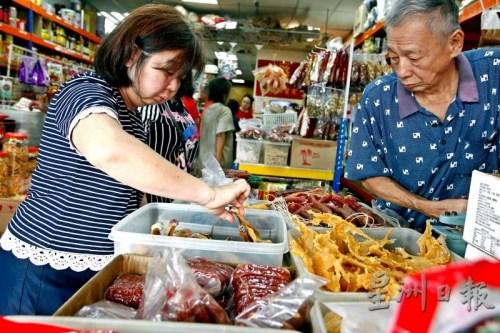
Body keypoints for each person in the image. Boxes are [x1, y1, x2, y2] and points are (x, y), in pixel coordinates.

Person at [0, 4, 250, 315]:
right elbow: (111, 151)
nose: (173, 86)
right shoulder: (83, 92)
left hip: (93, 270)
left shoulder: (129, 113)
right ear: (132, 55)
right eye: (166, 70)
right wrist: (207, 193)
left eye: (180, 76)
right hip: (45, 270)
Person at [346, 0, 499, 231]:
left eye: (414, 58)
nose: (403, 72)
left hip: (483, 241)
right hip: (402, 239)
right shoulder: (378, 97)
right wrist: (427, 206)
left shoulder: (494, 73)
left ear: (454, 43)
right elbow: (368, 173)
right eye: (394, 58)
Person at [139, 94, 199, 203]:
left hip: (180, 189)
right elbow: (137, 150)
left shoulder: (180, 105)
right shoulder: (150, 105)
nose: (173, 84)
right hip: (157, 192)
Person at [196, 77, 235, 171]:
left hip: (203, 160)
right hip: (217, 162)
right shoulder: (225, 111)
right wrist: (218, 160)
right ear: (224, 94)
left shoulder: (207, 110)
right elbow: (220, 134)